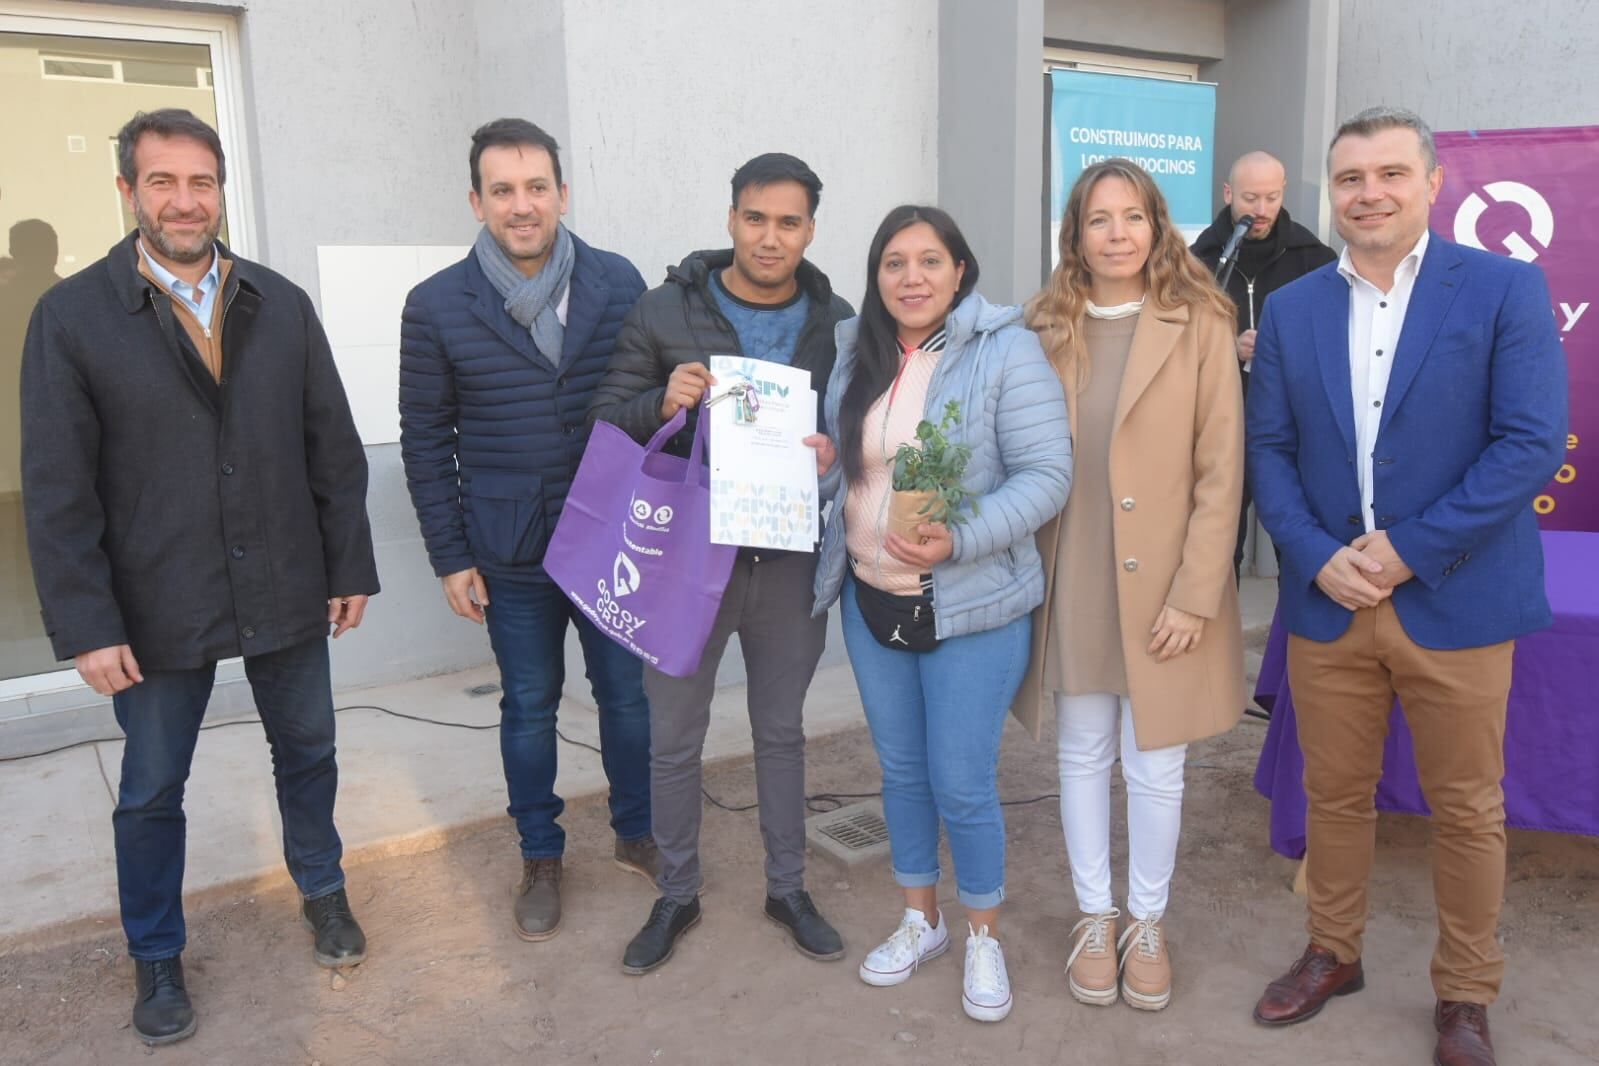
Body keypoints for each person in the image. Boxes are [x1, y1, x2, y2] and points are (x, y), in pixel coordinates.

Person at [20, 108, 379, 1047]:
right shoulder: (71, 318)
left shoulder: (279, 301)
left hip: (286, 582)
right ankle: (155, 952)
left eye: (201, 182)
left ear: (222, 190)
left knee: (308, 750)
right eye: (163, 182)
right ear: (128, 192)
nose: (185, 201)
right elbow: (57, 489)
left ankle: (324, 891)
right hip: (154, 597)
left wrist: (348, 563)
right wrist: (88, 623)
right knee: (150, 788)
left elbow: (332, 449)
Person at [1247, 107, 1568, 1066]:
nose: (1369, 193)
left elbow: (1526, 444)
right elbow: (1269, 451)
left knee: (1467, 808)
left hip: (1457, 599)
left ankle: (1465, 993)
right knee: (1334, 795)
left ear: (1432, 183)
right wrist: (1315, 555)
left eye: (1389, 174)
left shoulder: (1504, 289)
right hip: (1328, 600)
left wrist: (1406, 552)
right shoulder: (1296, 307)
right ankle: (1330, 951)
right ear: (1330, 194)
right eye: (1349, 179)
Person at [589, 153, 854, 974]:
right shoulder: (666, 308)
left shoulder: (838, 320)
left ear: (809, 229)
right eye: (754, 218)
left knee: (780, 731)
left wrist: (833, 454)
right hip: (683, 561)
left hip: (785, 557)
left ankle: (787, 887)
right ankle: (676, 892)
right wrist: (659, 400)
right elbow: (607, 419)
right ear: (731, 217)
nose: (768, 237)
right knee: (673, 736)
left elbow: (861, 431)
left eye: (787, 222)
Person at [811, 205, 1070, 1022]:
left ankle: (982, 934)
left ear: (960, 271)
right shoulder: (855, 353)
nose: (911, 278)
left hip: (971, 604)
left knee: (962, 781)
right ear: (875, 276)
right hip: (871, 597)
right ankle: (920, 920)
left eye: (929, 261)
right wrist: (821, 464)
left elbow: (1044, 476)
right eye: (894, 263)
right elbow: (853, 479)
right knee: (902, 774)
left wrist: (957, 541)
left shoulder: (1006, 351)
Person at [398, 119, 655, 944]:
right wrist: (449, 556)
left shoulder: (619, 283)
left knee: (624, 696)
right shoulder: (437, 304)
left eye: (536, 186)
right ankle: (540, 854)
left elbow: (652, 405)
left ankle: (638, 829)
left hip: (610, 536)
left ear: (562, 194)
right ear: (477, 200)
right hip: (509, 550)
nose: (522, 205)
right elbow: (425, 438)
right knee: (529, 706)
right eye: (502, 190)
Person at [1018, 158, 1245, 1013]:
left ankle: (1146, 922)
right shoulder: (1042, 325)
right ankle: (1094, 915)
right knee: (1081, 751)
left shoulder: (1199, 323)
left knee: (1156, 764)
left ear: (1157, 225)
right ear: (1073, 236)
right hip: (1073, 566)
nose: (1116, 234)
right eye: (1097, 220)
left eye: (1131, 217)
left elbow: (1221, 471)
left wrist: (1195, 593)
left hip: (1166, 580)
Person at [1191, 151, 1336, 578]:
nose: (1260, 210)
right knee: (1218, 548)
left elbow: (1338, 342)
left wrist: (1284, 347)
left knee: (1300, 549)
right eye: (1250, 198)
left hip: (1294, 428)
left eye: (1272, 198)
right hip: (1220, 425)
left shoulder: (1316, 258)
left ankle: (1301, 643)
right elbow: (1172, 343)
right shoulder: (1195, 262)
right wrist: (1225, 347)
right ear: (1228, 193)